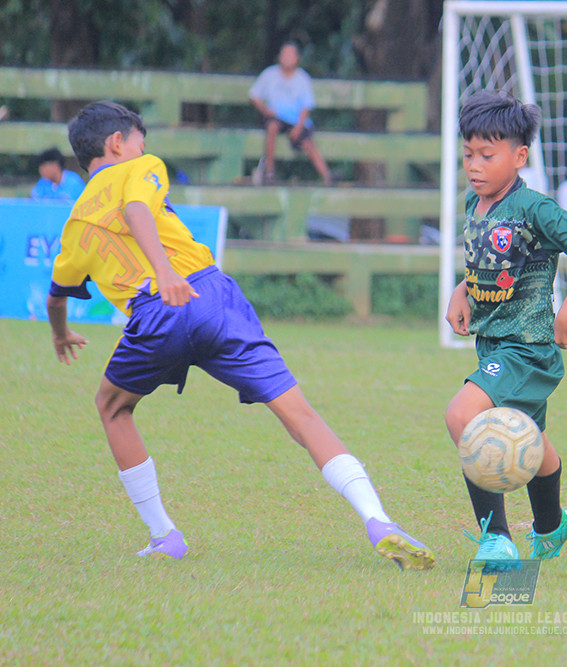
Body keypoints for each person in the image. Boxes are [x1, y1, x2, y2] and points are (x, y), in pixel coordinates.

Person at [46, 101, 434, 570]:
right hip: (210, 294)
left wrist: (61, 333)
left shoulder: (75, 225)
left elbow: (57, 295)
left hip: (156, 315)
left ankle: (164, 535)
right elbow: (135, 210)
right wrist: (167, 270)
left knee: (112, 406)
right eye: (138, 142)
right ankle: (378, 520)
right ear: (117, 144)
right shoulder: (141, 168)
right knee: (301, 416)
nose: (143, 150)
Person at [445, 91, 567, 568]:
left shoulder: (535, 207)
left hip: (527, 348)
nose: (474, 165)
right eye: (468, 155)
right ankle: (551, 525)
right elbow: (496, 262)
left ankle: (495, 539)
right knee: (532, 445)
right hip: (493, 345)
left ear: (520, 156)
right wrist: (462, 289)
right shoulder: (478, 207)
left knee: (464, 417)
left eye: (487, 155)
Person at [249, 42, 332, 185]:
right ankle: (270, 172)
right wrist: (265, 110)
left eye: (290, 55)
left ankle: (328, 178)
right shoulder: (269, 74)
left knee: (308, 144)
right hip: (275, 117)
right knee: (272, 127)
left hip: (296, 120)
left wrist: (299, 127)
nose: (287, 58)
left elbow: (306, 106)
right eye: (284, 55)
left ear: (296, 59)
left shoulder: (302, 78)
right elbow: (254, 95)